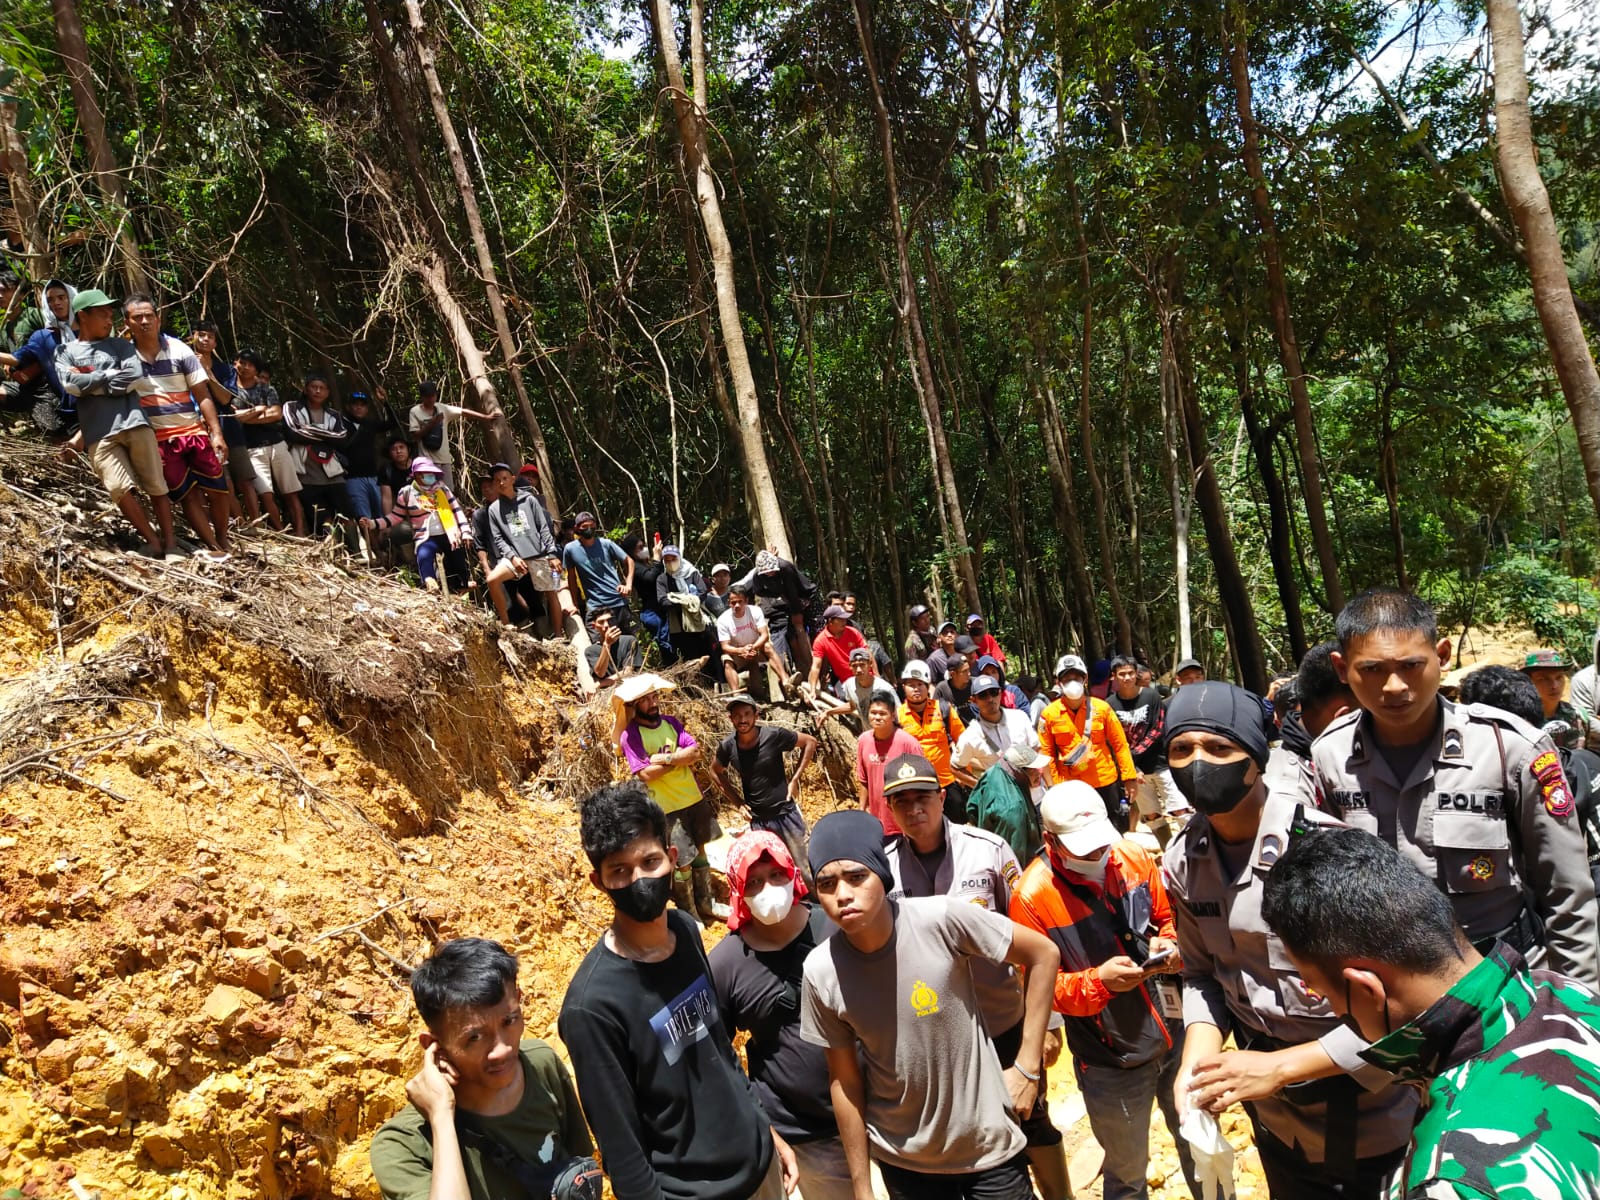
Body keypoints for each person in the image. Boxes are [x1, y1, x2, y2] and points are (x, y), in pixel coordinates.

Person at [1162, 681, 1417, 1199]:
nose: (1198, 763)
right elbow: (1201, 973)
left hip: (1368, 1119)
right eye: (1181, 749)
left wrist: (1279, 1068)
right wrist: (1197, 1061)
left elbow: (1405, 1006)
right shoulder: (1184, 860)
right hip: (1276, 1121)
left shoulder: (1327, 852)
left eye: (1218, 747)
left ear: (1256, 756)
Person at [1262, 826, 1600, 1200]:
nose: (1332, 1006)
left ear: (1364, 989)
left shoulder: (1451, 1182)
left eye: (1322, 991)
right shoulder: (1565, 991)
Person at [1302, 587, 1599, 986]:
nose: (1393, 686)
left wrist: (1577, 1005)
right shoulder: (1329, 756)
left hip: (1505, 981)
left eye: (1411, 665)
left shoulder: (1509, 746)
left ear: (1441, 656)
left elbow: (1567, 894)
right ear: (1342, 669)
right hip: (1393, 990)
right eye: (1372, 669)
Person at [799, 809, 1060, 1200]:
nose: (843, 895)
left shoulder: (941, 919)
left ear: (882, 876)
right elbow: (845, 1082)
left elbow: (1043, 954)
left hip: (987, 1149)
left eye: (857, 877)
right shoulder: (821, 970)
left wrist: (1027, 1067)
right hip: (905, 1162)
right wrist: (862, 1187)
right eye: (826, 883)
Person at [559, 783, 798, 1200]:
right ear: (598, 881)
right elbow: (621, 1147)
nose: (639, 879)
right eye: (620, 870)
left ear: (672, 859)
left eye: (650, 861)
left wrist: (763, 1127)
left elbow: (721, 1049)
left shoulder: (685, 931)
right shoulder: (592, 1007)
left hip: (760, 1164)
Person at [879, 753, 1069, 1200]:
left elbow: (1035, 941)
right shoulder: (883, 869)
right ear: (889, 809)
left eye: (922, 797)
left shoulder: (987, 850)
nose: (913, 809)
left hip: (1000, 1020)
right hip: (932, 1038)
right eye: (900, 801)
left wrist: (1048, 1025)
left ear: (942, 797)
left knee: (1033, 1118)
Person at [1009, 782, 1198, 1200]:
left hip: (1176, 1033)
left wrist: (1168, 942)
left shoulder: (1131, 856)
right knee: (1128, 1176)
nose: (1097, 855)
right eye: (1083, 849)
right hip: (1112, 1059)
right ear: (1050, 841)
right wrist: (1097, 983)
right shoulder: (1032, 897)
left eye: (1100, 844)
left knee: (1201, 1150)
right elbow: (1040, 992)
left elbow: (1167, 918)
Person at [369, 938, 596, 1200]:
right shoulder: (401, 1146)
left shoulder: (541, 1065)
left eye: (509, 1020)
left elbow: (581, 1173)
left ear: (520, 1000)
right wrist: (442, 1118)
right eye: (474, 1038)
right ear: (434, 1044)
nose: (502, 1049)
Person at [708, 832, 850, 1200]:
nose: (768, 888)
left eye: (775, 875)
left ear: (792, 872)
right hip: (804, 1132)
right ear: (738, 891)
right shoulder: (726, 964)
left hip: (878, 1108)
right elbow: (718, 1057)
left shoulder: (836, 928)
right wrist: (764, 1127)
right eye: (753, 881)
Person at [54, 289, 179, 560]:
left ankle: (171, 545)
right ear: (83, 315)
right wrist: (110, 375)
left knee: (156, 485)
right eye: (102, 313)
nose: (110, 319)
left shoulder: (122, 346)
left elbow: (133, 377)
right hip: (98, 433)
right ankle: (152, 542)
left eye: (111, 313)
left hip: (135, 423)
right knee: (118, 489)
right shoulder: (65, 351)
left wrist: (91, 379)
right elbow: (70, 385)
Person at [124, 293, 231, 560]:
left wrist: (216, 432)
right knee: (187, 495)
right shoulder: (124, 358)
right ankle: (213, 546)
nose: (145, 321)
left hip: (192, 431)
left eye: (150, 316)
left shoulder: (179, 350)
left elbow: (203, 394)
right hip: (157, 438)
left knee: (218, 489)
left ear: (158, 319)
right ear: (128, 323)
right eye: (138, 317)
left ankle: (223, 538)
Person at [614, 674, 726, 924]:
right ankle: (690, 913)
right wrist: (679, 758)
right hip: (666, 806)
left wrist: (665, 759)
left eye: (654, 697)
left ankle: (706, 903)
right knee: (682, 861)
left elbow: (695, 752)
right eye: (646, 700)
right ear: (634, 705)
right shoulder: (631, 736)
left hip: (692, 797)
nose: (654, 703)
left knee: (700, 851)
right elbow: (645, 774)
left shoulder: (671, 723)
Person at [712, 694, 818, 880]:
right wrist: (737, 803)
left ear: (756, 715)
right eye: (737, 715)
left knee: (806, 868)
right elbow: (715, 771)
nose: (742, 719)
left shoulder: (773, 735)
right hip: (758, 822)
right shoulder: (728, 746)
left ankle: (817, 905)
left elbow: (810, 742)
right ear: (730, 719)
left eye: (747, 714)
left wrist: (794, 780)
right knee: (774, 871)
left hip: (786, 815)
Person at [1038, 654, 1136, 832]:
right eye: (1066, 678)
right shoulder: (1049, 714)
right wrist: (1053, 787)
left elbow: (1120, 744)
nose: (1072, 682)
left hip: (1104, 782)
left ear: (1085, 678)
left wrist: (1129, 778)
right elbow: (1047, 754)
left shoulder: (1102, 708)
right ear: (1058, 682)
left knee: (1113, 831)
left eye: (1076, 677)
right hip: (1070, 787)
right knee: (1079, 832)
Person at [1103, 654, 1187, 845]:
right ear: (1114, 677)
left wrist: (1131, 756)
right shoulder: (1109, 705)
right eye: (1121, 674)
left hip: (1161, 764)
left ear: (1136, 675)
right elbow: (1113, 740)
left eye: (1130, 673)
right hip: (1135, 772)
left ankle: (1190, 851)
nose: (1126, 678)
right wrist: (1133, 768)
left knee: (1180, 809)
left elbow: (1157, 729)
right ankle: (1168, 852)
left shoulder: (1151, 696)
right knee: (1151, 815)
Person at [365, 457, 473, 592]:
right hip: (426, 537)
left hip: (449, 534)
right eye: (425, 473)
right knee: (424, 555)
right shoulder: (407, 493)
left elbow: (456, 511)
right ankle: (430, 584)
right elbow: (395, 517)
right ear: (416, 475)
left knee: (457, 557)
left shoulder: (442, 490)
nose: (429, 476)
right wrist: (373, 524)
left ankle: (462, 587)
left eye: (431, 473)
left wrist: (466, 531)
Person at [482, 464, 565, 632]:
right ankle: (506, 623)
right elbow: (498, 538)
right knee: (492, 580)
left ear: (513, 479)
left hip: (538, 554)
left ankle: (558, 635)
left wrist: (551, 553)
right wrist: (512, 557)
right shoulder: (494, 509)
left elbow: (543, 527)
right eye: (497, 480)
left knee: (551, 593)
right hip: (515, 558)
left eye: (505, 478)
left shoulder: (529, 500)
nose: (501, 483)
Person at [899, 660, 976, 824]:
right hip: (915, 784)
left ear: (928, 687)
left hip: (948, 782)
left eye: (920, 684)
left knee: (958, 827)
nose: (916, 688)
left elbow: (963, 742)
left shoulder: (943, 709)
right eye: (911, 684)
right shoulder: (897, 716)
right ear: (903, 687)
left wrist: (964, 777)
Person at [232, 350, 298, 534]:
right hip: (251, 447)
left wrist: (246, 417)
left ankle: (300, 531)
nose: (245, 367)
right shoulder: (230, 391)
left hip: (277, 443)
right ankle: (279, 532)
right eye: (242, 362)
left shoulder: (267, 389)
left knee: (290, 492)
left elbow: (276, 414)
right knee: (265, 493)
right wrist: (259, 410)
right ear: (234, 364)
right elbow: (234, 417)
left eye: (250, 364)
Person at [282, 372, 353, 538]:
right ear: (306, 389)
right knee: (321, 517)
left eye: (322, 388)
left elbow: (342, 438)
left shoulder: (334, 415)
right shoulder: (291, 407)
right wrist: (327, 436)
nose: (318, 391)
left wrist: (307, 429)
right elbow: (293, 432)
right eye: (314, 387)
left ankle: (357, 553)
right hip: (305, 472)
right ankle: (332, 552)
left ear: (327, 392)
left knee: (346, 514)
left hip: (333, 472)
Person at [734, 551, 820, 680]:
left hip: (805, 597)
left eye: (773, 571)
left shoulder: (785, 568)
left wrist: (797, 612)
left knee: (812, 631)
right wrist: (777, 594)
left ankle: (815, 671)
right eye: (768, 572)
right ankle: (797, 671)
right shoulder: (758, 576)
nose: (771, 574)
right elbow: (758, 590)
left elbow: (792, 592)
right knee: (791, 636)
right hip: (789, 603)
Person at [965, 743, 1050, 865]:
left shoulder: (995, 770)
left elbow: (972, 806)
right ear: (1019, 772)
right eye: (1033, 769)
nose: (1039, 773)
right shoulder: (1014, 810)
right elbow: (1013, 858)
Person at [408, 380, 496, 489]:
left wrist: (485, 417)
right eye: (428, 396)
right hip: (427, 461)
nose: (431, 399)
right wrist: (433, 422)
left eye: (433, 396)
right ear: (422, 397)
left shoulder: (442, 408)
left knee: (447, 490)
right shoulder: (415, 412)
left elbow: (463, 412)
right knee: (431, 491)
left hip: (444, 459)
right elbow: (415, 435)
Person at [856, 694, 922, 836]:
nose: (877, 717)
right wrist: (861, 811)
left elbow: (921, 785)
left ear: (893, 716)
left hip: (905, 823)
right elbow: (864, 780)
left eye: (882, 713)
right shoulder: (863, 741)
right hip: (877, 823)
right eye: (873, 713)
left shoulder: (908, 744)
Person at [952, 674, 1040, 779]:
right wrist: (983, 787)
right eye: (983, 695)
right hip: (1002, 794)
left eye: (993, 692)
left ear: (1000, 693)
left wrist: (1047, 784)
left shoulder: (1020, 717)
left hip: (1034, 789)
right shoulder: (971, 736)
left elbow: (1037, 748)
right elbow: (955, 767)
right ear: (973, 700)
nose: (990, 699)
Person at [563, 513, 635, 632]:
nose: (589, 529)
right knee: (598, 644)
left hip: (618, 602)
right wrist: (574, 604)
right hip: (596, 605)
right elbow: (571, 578)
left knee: (628, 643)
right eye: (585, 526)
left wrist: (628, 584)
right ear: (577, 528)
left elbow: (629, 561)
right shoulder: (570, 549)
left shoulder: (606, 544)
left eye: (592, 525)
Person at [717, 583, 793, 697]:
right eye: (733, 602)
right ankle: (736, 695)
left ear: (746, 601)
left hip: (756, 647)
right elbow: (725, 646)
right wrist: (741, 651)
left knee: (768, 647)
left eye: (740, 601)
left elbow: (764, 635)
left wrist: (753, 647)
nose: (737, 605)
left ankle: (785, 680)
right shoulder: (723, 620)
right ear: (729, 603)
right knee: (727, 660)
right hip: (737, 652)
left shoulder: (755, 611)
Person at [341, 390, 397, 527]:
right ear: (348, 406)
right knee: (363, 517)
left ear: (367, 408)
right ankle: (372, 547)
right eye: (355, 404)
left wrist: (385, 402)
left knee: (381, 515)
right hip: (352, 478)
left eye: (363, 405)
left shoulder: (370, 424)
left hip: (373, 477)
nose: (359, 407)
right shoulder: (340, 424)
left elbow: (393, 422)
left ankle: (385, 544)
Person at [657, 546, 715, 668]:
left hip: (697, 621)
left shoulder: (691, 573)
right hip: (678, 626)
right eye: (667, 560)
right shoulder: (662, 579)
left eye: (673, 559)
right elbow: (663, 600)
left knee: (707, 654)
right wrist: (683, 601)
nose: (671, 563)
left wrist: (684, 599)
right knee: (688, 657)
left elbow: (702, 591)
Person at [624, 535, 675, 661]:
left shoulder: (647, 565)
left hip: (663, 608)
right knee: (665, 643)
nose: (645, 549)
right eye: (640, 548)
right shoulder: (634, 567)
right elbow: (650, 578)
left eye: (645, 546)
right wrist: (657, 558)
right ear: (632, 552)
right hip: (652, 612)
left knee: (672, 641)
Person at [1522, 648, 1584, 749]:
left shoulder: (1576, 716)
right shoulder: (1519, 719)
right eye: (1543, 679)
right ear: (1528, 682)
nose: (1554, 685)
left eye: (1559, 677)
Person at [808, 605, 868, 699]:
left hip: (866, 677)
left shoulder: (853, 632)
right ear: (830, 621)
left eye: (845, 618)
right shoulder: (820, 641)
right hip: (847, 682)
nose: (844, 621)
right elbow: (816, 666)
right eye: (840, 619)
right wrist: (812, 690)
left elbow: (868, 654)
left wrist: (876, 676)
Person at [839, 647, 898, 728]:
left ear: (870, 664)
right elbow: (852, 706)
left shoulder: (885, 689)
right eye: (855, 666)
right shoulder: (850, 685)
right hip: (870, 737)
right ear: (850, 666)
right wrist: (828, 712)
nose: (858, 669)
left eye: (862, 665)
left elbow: (900, 716)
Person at [584, 609, 639, 686]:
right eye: (601, 622)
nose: (606, 625)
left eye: (609, 620)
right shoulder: (591, 651)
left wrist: (601, 684)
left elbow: (628, 672)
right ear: (594, 626)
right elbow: (600, 673)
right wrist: (607, 644)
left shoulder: (630, 641)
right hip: (607, 691)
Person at [932, 653, 975, 723]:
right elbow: (935, 714)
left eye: (968, 669)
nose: (969, 673)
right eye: (964, 671)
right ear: (953, 674)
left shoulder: (975, 684)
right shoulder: (942, 689)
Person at [925, 621, 960, 685]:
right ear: (939, 638)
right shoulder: (934, 659)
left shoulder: (962, 653)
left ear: (956, 635)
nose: (949, 635)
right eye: (945, 633)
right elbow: (930, 684)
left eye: (952, 632)